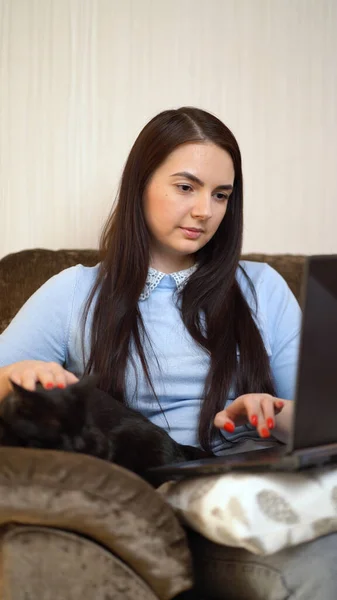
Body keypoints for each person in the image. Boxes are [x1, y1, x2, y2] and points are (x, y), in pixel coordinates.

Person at [0, 107, 336, 598]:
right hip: (164, 501)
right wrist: (17, 375)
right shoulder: (75, 292)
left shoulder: (262, 288)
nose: (206, 210)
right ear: (140, 184)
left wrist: (273, 414)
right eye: (186, 187)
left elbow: (323, 425)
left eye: (221, 195)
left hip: (260, 490)